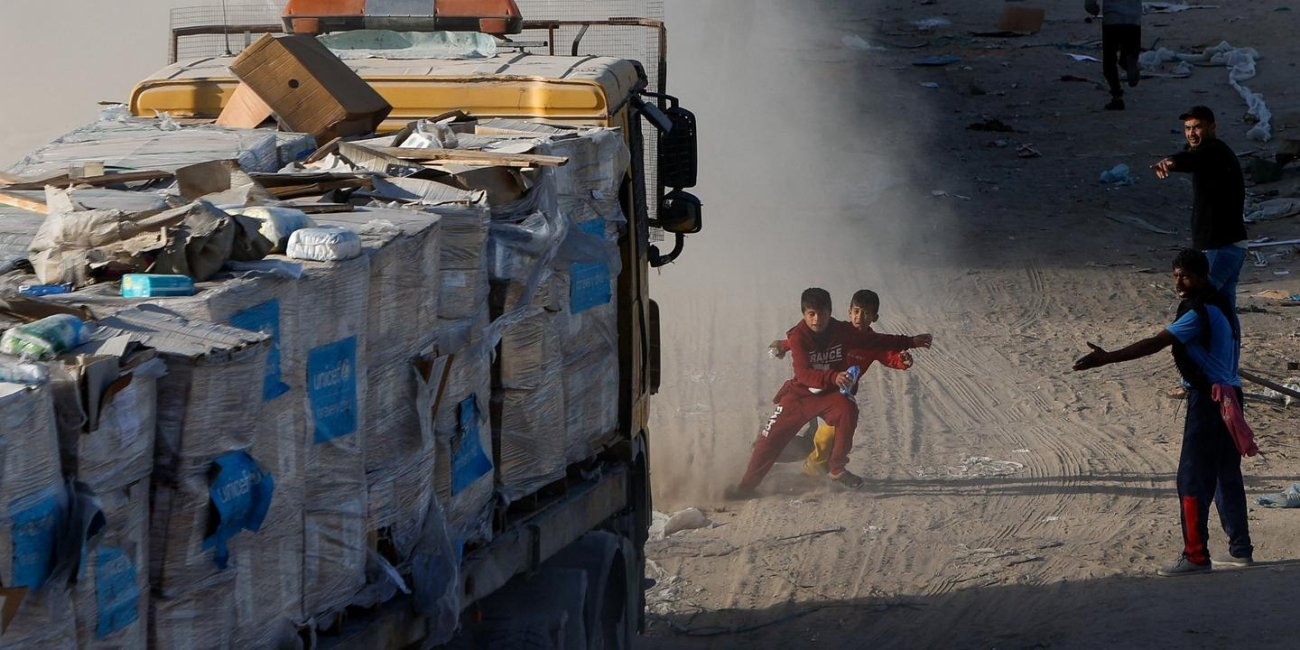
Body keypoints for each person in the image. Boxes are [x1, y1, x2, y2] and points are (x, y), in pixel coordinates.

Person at [1073, 249, 1254, 576]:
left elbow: (1154, 343)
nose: (1179, 283)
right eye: (1175, 276)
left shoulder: (1197, 313)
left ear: (1201, 277)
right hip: (1231, 396)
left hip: (1210, 402)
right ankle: (1240, 550)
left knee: (1192, 479)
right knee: (1226, 474)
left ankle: (1196, 556)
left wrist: (1108, 357)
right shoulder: (1221, 304)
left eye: (1185, 276)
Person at [726, 288, 932, 499]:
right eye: (811, 314)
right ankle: (746, 486)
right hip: (800, 395)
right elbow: (803, 373)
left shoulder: (844, 332)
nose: (817, 320)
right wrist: (831, 375)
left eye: (822, 314)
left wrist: (910, 342)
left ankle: (835, 469)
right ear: (804, 314)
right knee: (774, 443)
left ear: (831, 313)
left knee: (846, 410)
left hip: (830, 396)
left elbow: (879, 343)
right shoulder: (799, 336)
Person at [768, 290, 913, 477]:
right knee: (820, 439)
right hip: (816, 391)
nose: (860, 317)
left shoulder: (871, 343)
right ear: (849, 312)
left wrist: (902, 359)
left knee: (817, 440)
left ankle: (804, 469)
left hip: (838, 400)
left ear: (874, 317)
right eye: (857, 311)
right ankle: (776, 454)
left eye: (866, 313)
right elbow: (806, 338)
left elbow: (889, 354)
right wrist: (783, 345)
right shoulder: (837, 332)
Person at [1153, 106, 1248, 315]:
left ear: (1212, 127)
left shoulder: (1216, 151)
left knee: (1200, 304)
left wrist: (1172, 162)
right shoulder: (1206, 152)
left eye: (1197, 127)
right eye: (1187, 128)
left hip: (1220, 247)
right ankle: (1228, 348)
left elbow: (1192, 159)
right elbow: (1189, 155)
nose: (1191, 133)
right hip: (1227, 246)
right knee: (1224, 309)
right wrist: (1173, 159)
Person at [1085, 0, 1142, 111]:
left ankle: (1117, 97)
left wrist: (1091, 7)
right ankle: (1129, 62)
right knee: (1128, 53)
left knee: (1109, 60)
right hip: (1133, 19)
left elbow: (1089, 4)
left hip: (1112, 18)